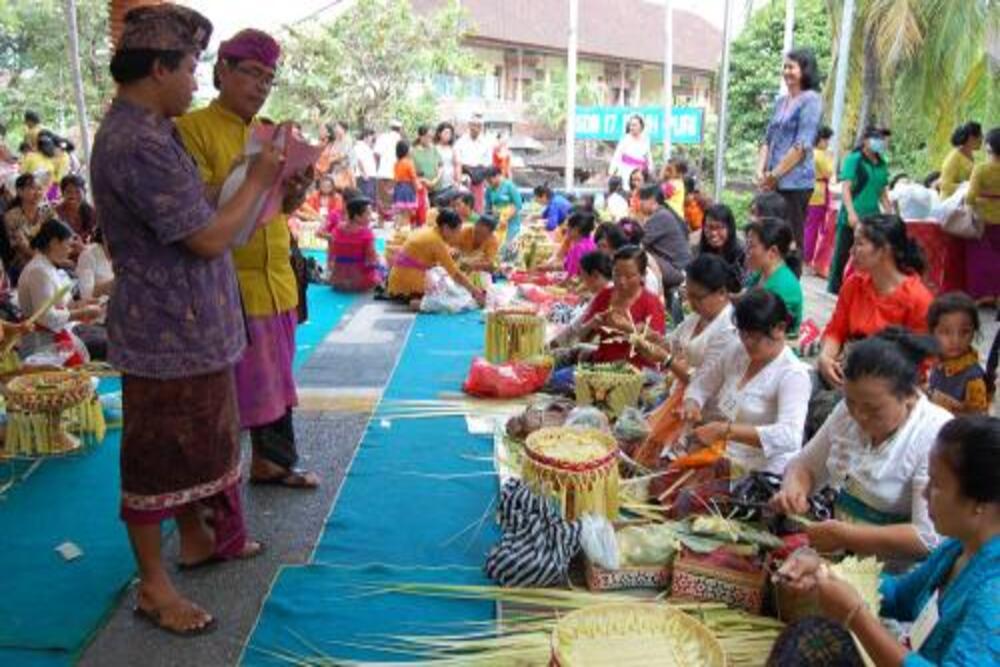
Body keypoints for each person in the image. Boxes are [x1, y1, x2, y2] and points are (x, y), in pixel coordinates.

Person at [91, 4, 282, 634]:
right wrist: (256, 179)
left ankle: (196, 540)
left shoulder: (153, 129)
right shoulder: (135, 141)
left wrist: (238, 180)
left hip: (191, 322)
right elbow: (204, 240)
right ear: (158, 66)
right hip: (163, 328)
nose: (196, 81)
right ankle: (153, 585)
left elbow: (191, 209)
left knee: (198, 440)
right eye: (192, 67)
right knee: (156, 454)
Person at [177, 26, 318, 491]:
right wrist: (249, 175)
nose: (260, 85)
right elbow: (193, 206)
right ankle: (218, 485)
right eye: (252, 74)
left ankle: (273, 462)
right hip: (229, 279)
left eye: (268, 78)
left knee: (277, 374)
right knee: (240, 385)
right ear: (222, 71)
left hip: (276, 273)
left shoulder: (268, 132)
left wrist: (293, 190)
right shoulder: (190, 130)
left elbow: (278, 208)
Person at [774, 415, 1000, 666]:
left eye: (936, 485)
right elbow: (901, 595)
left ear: (979, 502)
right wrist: (823, 573)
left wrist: (856, 617)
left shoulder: (994, 591)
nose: (924, 494)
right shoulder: (958, 547)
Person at [773, 328, 951, 564]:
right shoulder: (848, 412)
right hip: (839, 558)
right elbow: (805, 465)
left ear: (910, 394)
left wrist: (846, 536)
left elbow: (928, 538)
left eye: (873, 409)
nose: (859, 415)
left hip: (895, 578)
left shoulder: (935, 434)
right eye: (850, 402)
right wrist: (794, 489)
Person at [682, 288, 811, 477]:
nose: (747, 342)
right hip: (725, 454)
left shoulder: (792, 374)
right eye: (743, 333)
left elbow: (790, 435)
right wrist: (691, 404)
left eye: (756, 337)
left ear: (780, 329)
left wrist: (725, 431)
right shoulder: (737, 349)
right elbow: (702, 384)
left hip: (764, 470)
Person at [818, 214, 932, 389]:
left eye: (859, 244)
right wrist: (826, 358)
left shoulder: (918, 300)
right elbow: (836, 329)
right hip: (848, 373)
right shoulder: (854, 284)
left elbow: (921, 365)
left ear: (883, 251)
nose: (851, 250)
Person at [757, 47, 824, 252]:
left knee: (791, 240)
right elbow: (767, 139)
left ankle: (790, 282)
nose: (786, 71)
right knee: (766, 237)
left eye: (791, 67)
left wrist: (774, 175)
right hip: (771, 182)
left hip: (795, 185)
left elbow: (802, 145)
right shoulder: (780, 102)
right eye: (784, 67)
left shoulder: (811, 99)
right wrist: (760, 172)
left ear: (805, 69)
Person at [640, 253, 740, 387]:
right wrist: (652, 337)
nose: (691, 303)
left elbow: (704, 383)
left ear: (721, 293)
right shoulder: (697, 316)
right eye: (688, 295)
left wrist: (666, 359)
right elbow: (672, 343)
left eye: (698, 297)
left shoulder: (729, 329)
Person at [17, 220, 105, 361]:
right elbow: (46, 318)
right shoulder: (38, 270)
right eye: (68, 245)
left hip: (60, 330)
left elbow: (64, 304)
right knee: (106, 344)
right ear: (54, 243)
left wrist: (83, 304)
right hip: (44, 340)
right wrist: (83, 312)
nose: (70, 251)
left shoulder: (48, 267)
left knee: (109, 335)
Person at [578, 244, 666, 369]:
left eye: (629, 276)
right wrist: (592, 324)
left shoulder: (652, 303)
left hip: (638, 372)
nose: (621, 281)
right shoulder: (605, 295)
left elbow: (657, 350)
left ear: (642, 275)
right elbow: (582, 337)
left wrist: (627, 328)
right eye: (617, 274)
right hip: (602, 367)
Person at [827, 126, 892, 294]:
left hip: (873, 217)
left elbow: (883, 193)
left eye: (881, 140)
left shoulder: (882, 163)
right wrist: (850, 212)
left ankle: (862, 289)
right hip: (853, 213)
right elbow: (846, 188)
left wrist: (891, 215)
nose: (880, 143)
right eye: (876, 139)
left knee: (869, 254)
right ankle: (834, 289)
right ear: (865, 141)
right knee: (843, 252)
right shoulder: (854, 159)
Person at [387, 207, 485, 305]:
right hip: (404, 286)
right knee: (448, 299)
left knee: (449, 288)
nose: (458, 235)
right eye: (456, 231)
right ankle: (417, 302)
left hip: (398, 280)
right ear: (446, 228)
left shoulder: (430, 231)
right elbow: (455, 273)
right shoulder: (435, 241)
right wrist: (475, 292)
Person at [927, 292, 990, 415]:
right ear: (932, 332)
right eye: (945, 332)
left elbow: (978, 419)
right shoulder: (937, 361)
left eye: (964, 332)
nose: (955, 340)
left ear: (974, 331)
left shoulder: (974, 379)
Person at [639, 183, 691, 323]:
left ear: (652, 200)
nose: (639, 203)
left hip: (679, 271)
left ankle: (650, 307)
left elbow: (638, 242)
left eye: (641, 199)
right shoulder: (663, 213)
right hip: (673, 267)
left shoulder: (661, 216)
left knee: (639, 256)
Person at [745, 217, 804, 337]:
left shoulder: (783, 287)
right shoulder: (761, 273)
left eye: (751, 246)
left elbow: (761, 331)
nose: (747, 251)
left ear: (772, 251)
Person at [964, 126, 1000, 305]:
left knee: (980, 257)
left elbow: (970, 197)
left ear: (989, 147)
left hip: (984, 219)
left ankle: (985, 295)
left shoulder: (981, 169)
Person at [549, 250, 612, 350]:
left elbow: (576, 328)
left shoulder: (605, 294)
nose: (583, 283)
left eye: (584, 277)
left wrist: (551, 345)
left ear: (595, 275)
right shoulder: (605, 291)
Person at [3, 173, 55, 279]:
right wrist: (52, 261)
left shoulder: (47, 210)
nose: (37, 192)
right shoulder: (12, 216)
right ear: (19, 191)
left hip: (48, 258)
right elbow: (23, 248)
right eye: (32, 188)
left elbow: (58, 235)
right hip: (23, 264)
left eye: (39, 188)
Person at [329, 195, 381, 292]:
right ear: (357, 216)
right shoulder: (366, 233)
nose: (371, 217)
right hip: (359, 281)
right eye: (368, 214)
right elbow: (371, 260)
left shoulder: (337, 229)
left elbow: (332, 254)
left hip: (338, 280)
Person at [804, 125, 834, 265]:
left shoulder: (808, 152)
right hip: (819, 192)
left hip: (808, 189)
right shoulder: (821, 155)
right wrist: (830, 158)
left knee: (807, 225)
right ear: (820, 140)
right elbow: (829, 172)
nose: (828, 143)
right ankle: (807, 257)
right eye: (827, 140)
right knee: (813, 228)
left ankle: (805, 255)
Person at [699, 203, 748, 285]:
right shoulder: (696, 249)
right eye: (710, 227)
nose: (713, 233)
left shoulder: (741, 255)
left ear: (730, 228)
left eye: (719, 227)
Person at [454, 114, 493, 213]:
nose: (476, 128)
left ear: (482, 127)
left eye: (479, 126)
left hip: (479, 177)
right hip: (464, 176)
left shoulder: (486, 143)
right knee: (462, 207)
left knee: (477, 207)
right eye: (473, 125)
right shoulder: (460, 142)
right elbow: (458, 163)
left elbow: (488, 163)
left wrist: (482, 177)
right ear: (469, 125)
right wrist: (458, 183)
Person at [939, 121, 982, 199]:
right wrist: (966, 186)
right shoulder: (953, 158)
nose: (982, 140)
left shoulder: (969, 154)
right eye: (980, 136)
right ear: (971, 138)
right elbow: (944, 186)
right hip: (950, 202)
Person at [412, 125, 442, 225]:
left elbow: (440, 165)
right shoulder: (413, 152)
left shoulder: (434, 149)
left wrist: (435, 180)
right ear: (421, 136)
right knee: (423, 217)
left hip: (436, 187)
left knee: (435, 216)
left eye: (431, 136)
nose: (429, 139)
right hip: (421, 188)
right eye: (427, 136)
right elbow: (412, 171)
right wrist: (424, 180)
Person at [484, 165, 522, 241]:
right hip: (496, 221)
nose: (489, 183)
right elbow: (488, 207)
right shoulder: (489, 189)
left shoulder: (509, 186)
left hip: (510, 221)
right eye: (487, 181)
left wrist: (505, 218)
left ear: (498, 176)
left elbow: (518, 204)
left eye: (490, 180)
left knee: (507, 244)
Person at [610, 114, 653, 181]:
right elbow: (617, 156)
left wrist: (650, 169)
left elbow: (648, 158)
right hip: (626, 173)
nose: (632, 127)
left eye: (634, 125)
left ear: (641, 127)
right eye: (631, 125)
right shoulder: (625, 139)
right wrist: (614, 171)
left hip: (640, 175)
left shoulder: (645, 140)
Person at [54, 174, 96, 243]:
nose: (73, 195)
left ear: (84, 192)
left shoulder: (92, 213)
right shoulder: (56, 213)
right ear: (62, 193)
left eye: (77, 191)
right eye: (69, 192)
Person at [373, 120, 403, 218]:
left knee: (381, 197)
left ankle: (381, 220)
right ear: (400, 129)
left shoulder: (382, 137)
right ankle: (393, 219)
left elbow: (376, 154)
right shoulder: (401, 140)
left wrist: (378, 166)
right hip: (396, 172)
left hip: (382, 171)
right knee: (393, 196)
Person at [557, 210, 597, 278]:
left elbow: (571, 276)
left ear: (576, 229)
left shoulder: (578, 247)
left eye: (568, 227)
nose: (566, 229)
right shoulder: (591, 240)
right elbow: (566, 265)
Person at [391, 140, 419, 226]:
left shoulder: (396, 163)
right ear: (406, 150)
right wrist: (416, 188)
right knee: (407, 214)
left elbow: (395, 179)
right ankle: (405, 230)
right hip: (408, 189)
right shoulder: (409, 163)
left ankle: (398, 229)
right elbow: (413, 177)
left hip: (398, 189)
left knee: (400, 212)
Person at [352, 128, 377, 203]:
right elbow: (358, 160)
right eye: (371, 136)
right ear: (366, 136)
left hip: (370, 175)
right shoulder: (359, 146)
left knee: (370, 197)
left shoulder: (367, 147)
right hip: (364, 176)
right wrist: (364, 173)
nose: (372, 139)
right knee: (365, 198)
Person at [434, 122, 457, 192]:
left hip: (450, 184)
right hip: (437, 184)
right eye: (446, 133)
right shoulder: (434, 148)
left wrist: (457, 182)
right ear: (439, 134)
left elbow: (456, 165)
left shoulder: (452, 149)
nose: (448, 135)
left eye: (450, 133)